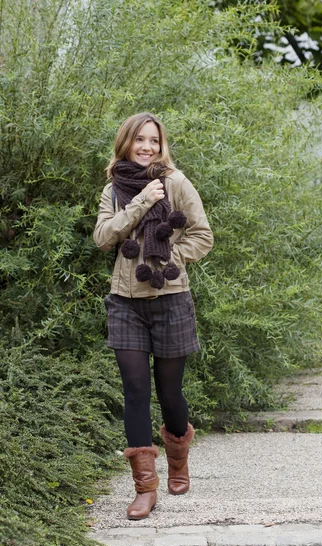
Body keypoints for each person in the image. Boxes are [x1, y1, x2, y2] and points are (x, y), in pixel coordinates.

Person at [93, 112, 213, 520]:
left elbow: (202, 235)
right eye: (139, 140)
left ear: (163, 146)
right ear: (126, 144)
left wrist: (166, 259)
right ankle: (145, 488)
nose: (147, 147)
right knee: (135, 390)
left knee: (170, 394)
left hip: (170, 299)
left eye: (154, 141)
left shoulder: (176, 182)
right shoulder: (113, 190)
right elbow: (103, 238)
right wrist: (143, 200)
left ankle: (178, 459)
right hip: (125, 300)